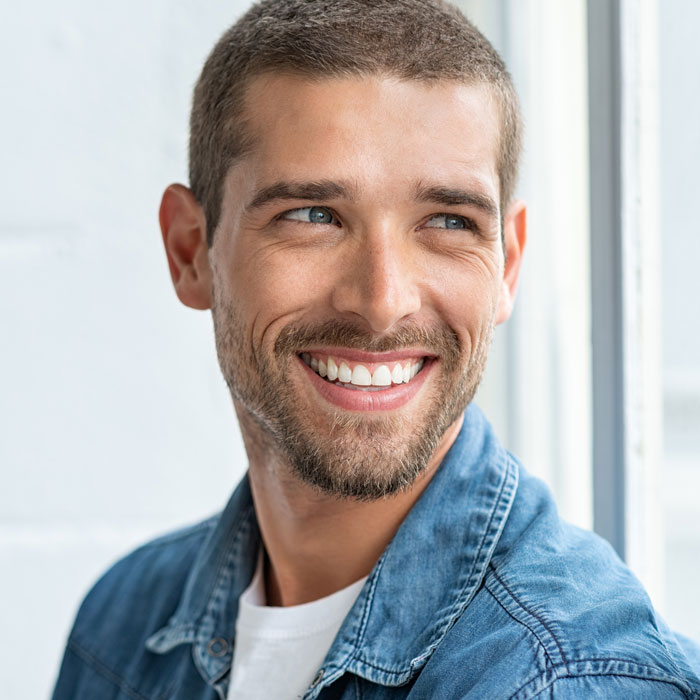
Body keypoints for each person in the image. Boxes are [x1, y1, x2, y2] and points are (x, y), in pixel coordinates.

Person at [52, 1, 700, 698]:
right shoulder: (119, 629)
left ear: (507, 265)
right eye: (312, 216)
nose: (382, 301)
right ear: (190, 251)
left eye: (448, 222)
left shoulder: (563, 680)